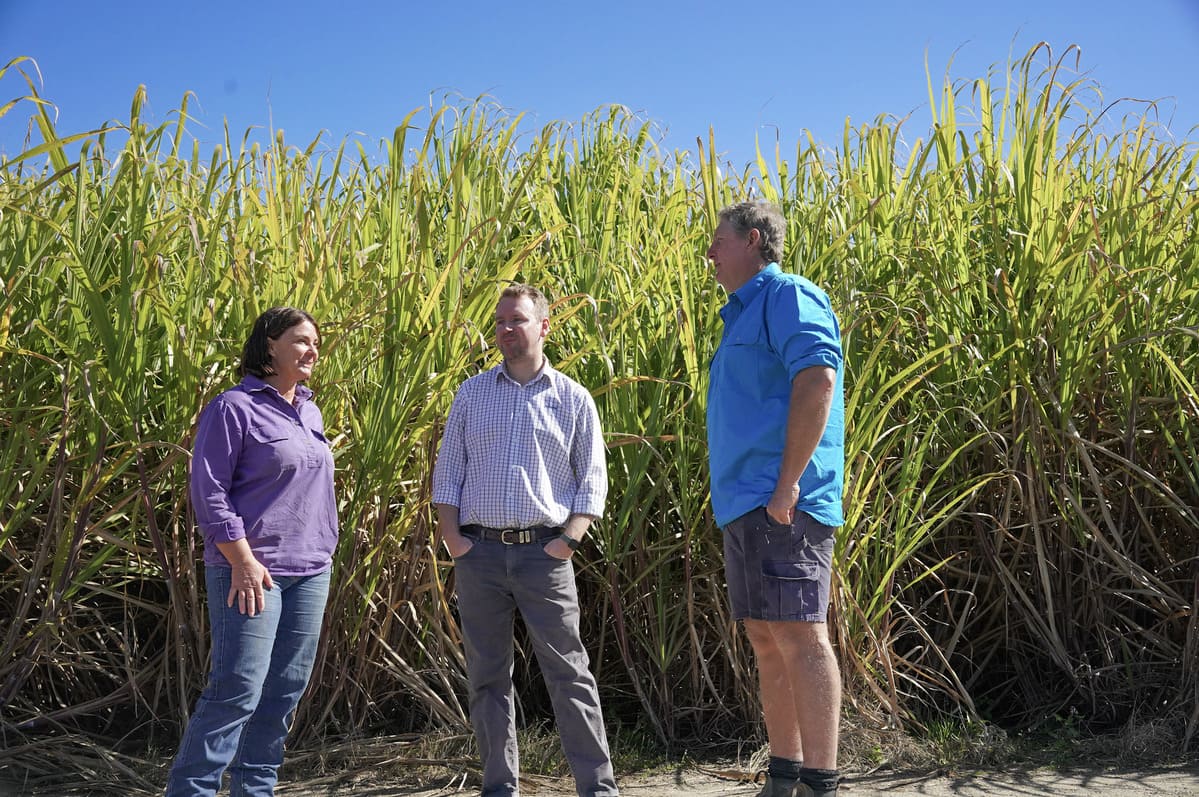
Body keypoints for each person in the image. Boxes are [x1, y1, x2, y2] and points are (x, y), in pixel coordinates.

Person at [432, 284, 619, 797]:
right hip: (480, 554)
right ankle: (499, 787)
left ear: (544, 326)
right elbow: (448, 472)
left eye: (516, 320)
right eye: (499, 322)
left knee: (570, 675)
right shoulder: (473, 393)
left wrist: (568, 541)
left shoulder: (572, 398)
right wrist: (454, 539)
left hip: (545, 554)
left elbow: (593, 479)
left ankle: (598, 789)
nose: (505, 330)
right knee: (488, 678)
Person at [167, 307, 338, 797]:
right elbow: (209, 490)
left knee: (283, 694)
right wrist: (242, 559)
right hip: (251, 571)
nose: (312, 351)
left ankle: (254, 790)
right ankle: (192, 791)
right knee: (236, 692)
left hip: (310, 571)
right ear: (269, 346)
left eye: (316, 343)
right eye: (302, 340)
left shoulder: (309, 410)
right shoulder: (233, 407)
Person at [705, 201, 845, 797]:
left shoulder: (785, 294)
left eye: (718, 241)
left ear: (753, 240)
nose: (709, 253)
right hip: (746, 503)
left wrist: (788, 482)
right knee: (765, 635)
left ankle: (821, 782)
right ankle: (784, 776)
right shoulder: (737, 316)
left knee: (801, 635)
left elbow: (818, 377)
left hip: (781, 498)